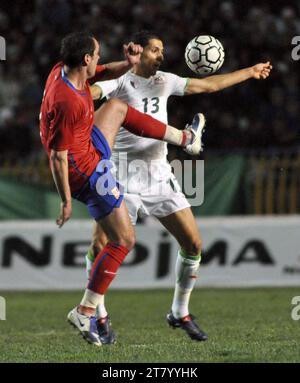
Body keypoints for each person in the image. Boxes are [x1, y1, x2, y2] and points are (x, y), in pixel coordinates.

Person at [87, 31, 272, 342]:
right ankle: (97, 315)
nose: (162, 55)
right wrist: (77, 91)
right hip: (119, 176)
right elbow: (92, 90)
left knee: (193, 245)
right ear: (139, 51)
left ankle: (179, 312)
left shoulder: (165, 80)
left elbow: (209, 85)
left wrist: (250, 72)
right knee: (99, 246)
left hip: (159, 174)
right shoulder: (119, 80)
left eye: (163, 50)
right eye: (156, 50)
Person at [39, 32, 206, 346]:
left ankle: (185, 139)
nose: (100, 60)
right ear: (85, 59)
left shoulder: (61, 71)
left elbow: (102, 73)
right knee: (124, 239)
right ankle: (86, 309)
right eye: (98, 54)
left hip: (86, 143)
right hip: (86, 171)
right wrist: (66, 201)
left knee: (117, 108)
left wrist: (126, 63)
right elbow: (58, 157)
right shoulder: (69, 101)